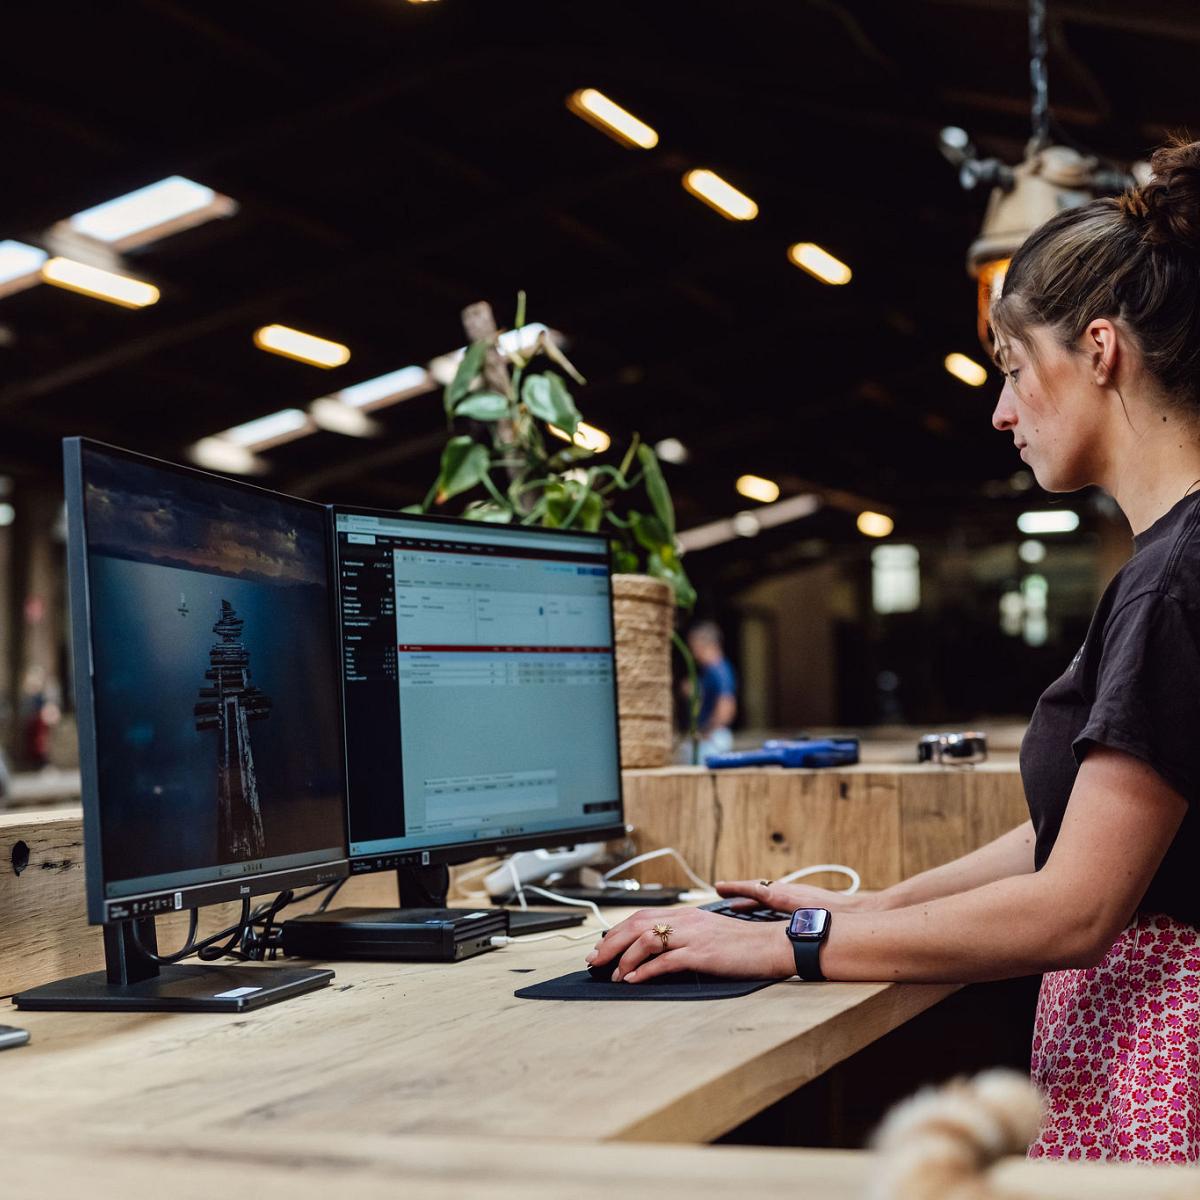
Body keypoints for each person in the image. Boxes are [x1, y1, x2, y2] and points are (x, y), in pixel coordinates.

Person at [588, 138, 1200, 1164]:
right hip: (1141, 1054)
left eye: (1013, 368)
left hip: (1167, 1072)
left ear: (1100, 351)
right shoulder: (1164, 564)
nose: (1001, 410)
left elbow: (1075, 908)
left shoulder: (1176, 578)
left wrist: (787, 946)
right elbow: (1073, 835)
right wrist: (872, 906)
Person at [684, 620, 737, 759]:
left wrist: (708, 730)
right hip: (707, 736)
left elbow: (726, 706)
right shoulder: (707, 671)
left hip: (712, 738)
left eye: (694, 646)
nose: (693, 652)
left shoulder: (719, 670)